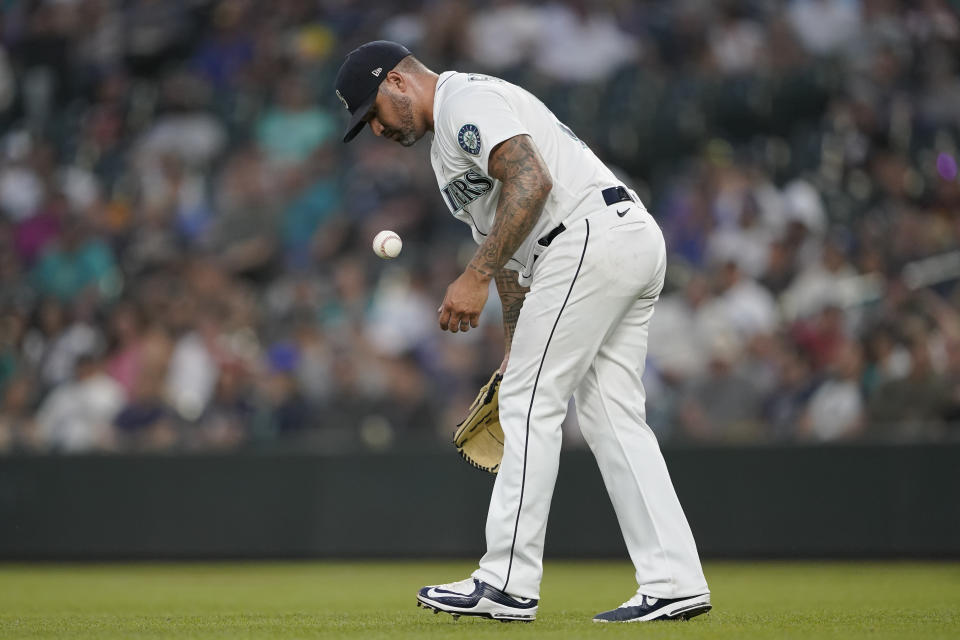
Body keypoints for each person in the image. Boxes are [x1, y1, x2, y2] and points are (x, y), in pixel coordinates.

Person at [334, 41, 710, 624]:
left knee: (532, 404)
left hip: (586, 238)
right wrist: (513, 346)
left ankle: (507, 581)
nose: (376, 130)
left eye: (372, 114)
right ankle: (674, 580)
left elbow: (531, 184)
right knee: (611, 417)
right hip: (611, 241)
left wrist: (471, 275)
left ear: (399, 84)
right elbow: (513, 255)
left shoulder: (465, 99)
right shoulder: (445, 149)